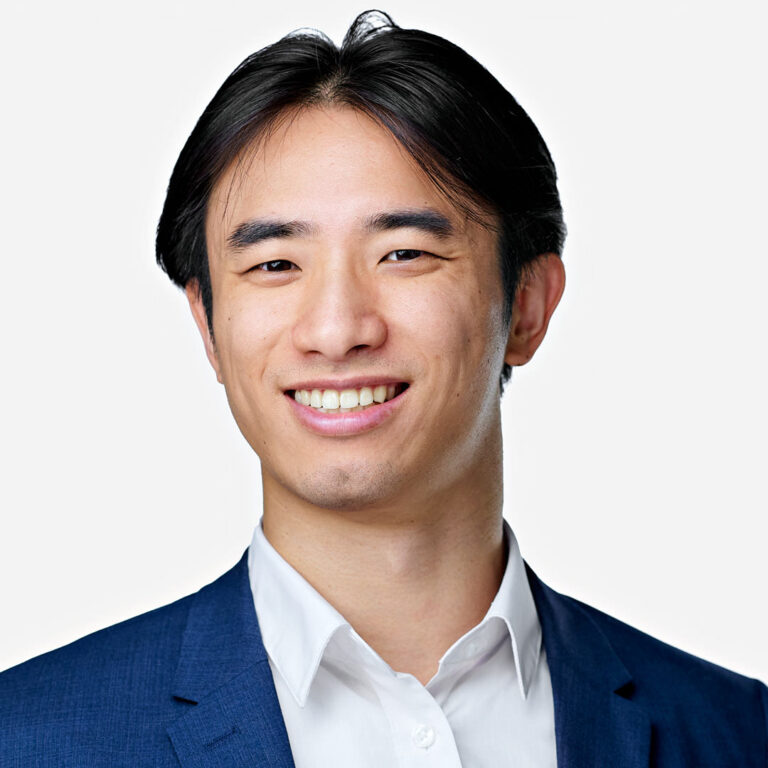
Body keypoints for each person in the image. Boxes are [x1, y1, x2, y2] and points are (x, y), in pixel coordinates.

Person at [0, 10, 765, 767]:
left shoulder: (737, 733)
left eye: (404, 254)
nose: (336, 330)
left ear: (527, 305)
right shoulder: (28, 739)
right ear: (207, 324)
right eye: (274, 265)